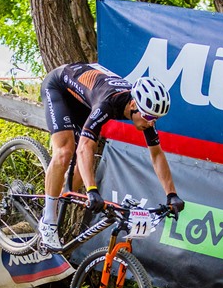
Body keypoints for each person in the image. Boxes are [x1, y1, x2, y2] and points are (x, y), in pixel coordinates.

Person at [38, 62, 185, 251]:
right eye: (148, 117)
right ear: (133, 104)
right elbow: (84, 147)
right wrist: (92, 190)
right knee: (66, 151)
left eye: (155, 119)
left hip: (84, 98)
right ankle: (48, 220)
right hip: (59, 86)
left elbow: (156, 154)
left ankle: (54, 202)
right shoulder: (108, 102)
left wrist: (171, 194)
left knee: (82, 169)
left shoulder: (144, 114)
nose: (151, 123)